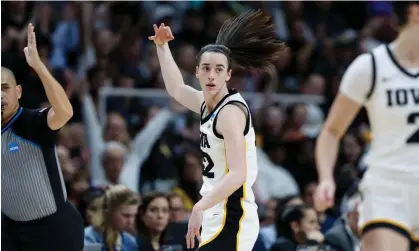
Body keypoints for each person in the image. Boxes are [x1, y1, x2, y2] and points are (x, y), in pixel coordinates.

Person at [148, 9, 287, 251]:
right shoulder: (207, 104)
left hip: (234, 213)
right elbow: (177, 89)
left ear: (228, 75)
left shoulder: (229, 112)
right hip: (216, 209)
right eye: (206, 68)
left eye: (219, 69)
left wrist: (199, 206)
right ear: (198, 72)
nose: (211, 75)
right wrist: (162, 47)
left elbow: (238, 173)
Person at [314, 2, 419, 251]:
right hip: (387, 188)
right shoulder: (370, 66)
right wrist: (326, 178)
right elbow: (331, 131)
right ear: (416, 12)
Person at [1, 23, 84, 250]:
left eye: (4, 88)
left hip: (54, 230)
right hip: (11, 232)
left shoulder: (31, 122)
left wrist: (39, 67)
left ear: (17, 91)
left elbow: (65, 112)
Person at [84, 184, 140, 251]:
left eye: (134, 215)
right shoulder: (88, 238)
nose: (131, 221)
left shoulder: (131, 242)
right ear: (109, 212)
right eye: (126, 216)